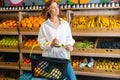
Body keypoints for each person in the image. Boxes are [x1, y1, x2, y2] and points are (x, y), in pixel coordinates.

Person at [38, 0, 77, 80]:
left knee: (72, 78)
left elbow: (69, 38)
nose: (57, 9)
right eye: (53, 7)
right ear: (48, 10)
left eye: (57, 6)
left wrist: (70, 45)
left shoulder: (65, 24)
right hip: (49, 59)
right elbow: (41, 43)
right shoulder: (44, 26)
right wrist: (51, 44)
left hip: (63, 57)